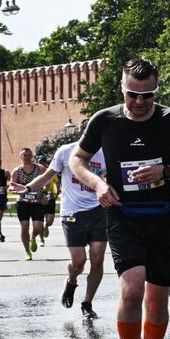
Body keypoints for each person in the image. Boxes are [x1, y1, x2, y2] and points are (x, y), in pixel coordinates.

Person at [71, 58, 170, 339]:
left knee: (157, 302)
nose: (140, 102)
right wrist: (98, 184)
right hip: (123, 217)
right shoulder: (105, 120)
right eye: (133, 95)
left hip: (162, 218)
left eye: (148, 96)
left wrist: (166, 171)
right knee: (131, 288)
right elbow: (76, 161)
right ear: (122, 87)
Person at [15, 136, 107, 319]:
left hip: (98, 210)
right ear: (82, 135)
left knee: (97, 259)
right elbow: (47, 176)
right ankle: (71, 281)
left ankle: (87, 303)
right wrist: (27, 188)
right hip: (72, 212)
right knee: (79, 261)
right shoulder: (66, 151)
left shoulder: (106, 153)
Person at [12, 148, 48, 260]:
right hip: (23, 202)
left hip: (37, 202)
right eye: (24, 155)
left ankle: (33, 237)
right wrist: (13, 189)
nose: (27, 157)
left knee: (38, 228)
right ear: (21, 157)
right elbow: (12, 184)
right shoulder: (17, 171)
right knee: (24, 227)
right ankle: (27, 251)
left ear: (32, 156)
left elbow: (47, 181)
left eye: (29, 155)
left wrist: (45, 194)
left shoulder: (40, 169)